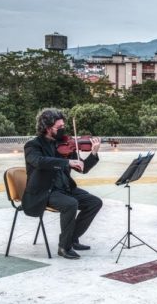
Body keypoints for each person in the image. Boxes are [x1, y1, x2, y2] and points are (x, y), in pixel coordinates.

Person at [22, 108, 103, 260]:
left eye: (63, 127)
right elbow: (39, 162)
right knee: (70, 204)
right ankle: (63, 247)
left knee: (94, 202)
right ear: (47, 128)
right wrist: (66, 162)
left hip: (65, 188)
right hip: (45, 191)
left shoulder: (66, 144)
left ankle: (71, 238)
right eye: (59, 128)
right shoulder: (33, 146)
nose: (63, 130)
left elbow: (82, 168)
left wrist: (93, 153)